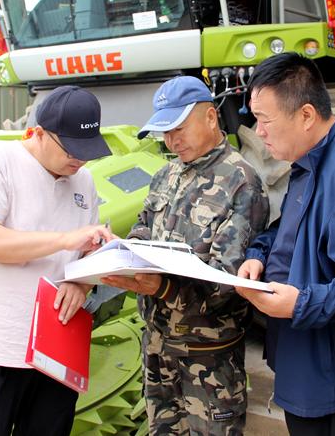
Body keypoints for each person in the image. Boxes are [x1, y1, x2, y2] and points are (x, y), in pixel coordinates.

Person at [235, 53, 335, 436]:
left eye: (265, 120)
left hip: (333, 376)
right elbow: (291, 228)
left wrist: (299, 304)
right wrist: (259, 255)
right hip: (306, 357)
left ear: (306, 115)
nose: (259, 132)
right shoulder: (312, 160)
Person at [102, 75, 269, 435]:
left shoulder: (241, 182)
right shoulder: (166, 174)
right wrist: (125, 253)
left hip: (208, 355)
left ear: (210, 117)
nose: (171, 140)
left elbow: (227, 284)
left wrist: (161, 288)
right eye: (165, 132)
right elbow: (143, 225)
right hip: (157, 345)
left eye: (179, 128)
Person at [0, 85, 116, 436]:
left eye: (87, 151)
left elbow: (86, 250)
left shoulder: (83, 180)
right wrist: (64, 240)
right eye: (70, 149)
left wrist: (81, 281)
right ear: (39, 133)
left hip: (56, 350)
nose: (79, 160)